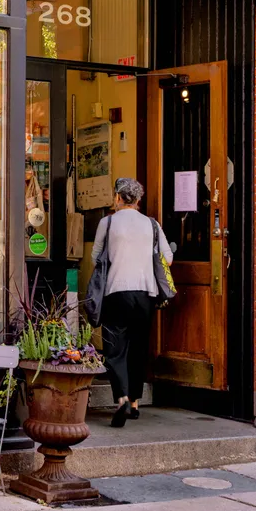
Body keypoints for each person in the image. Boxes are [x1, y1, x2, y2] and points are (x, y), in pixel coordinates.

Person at [92, 177, 175, 428]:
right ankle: (136, 403)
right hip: (145, 294)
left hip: (116, 292)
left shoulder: (107, 223)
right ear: (138, 200)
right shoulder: (151, 224)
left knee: (115, 349)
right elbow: (167, 259)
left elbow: (97, 256)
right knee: (138, 348)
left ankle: (122, 399)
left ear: (117, 197)